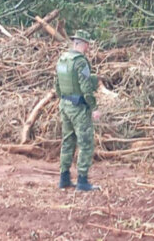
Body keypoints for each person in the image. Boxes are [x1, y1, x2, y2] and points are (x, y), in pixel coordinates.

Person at [54, 30, 102, 191]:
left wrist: (63, 99)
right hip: (78, 107)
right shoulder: (80, 62)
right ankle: (82, 181)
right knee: (86, 143)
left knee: (67, 141)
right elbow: (86, 87)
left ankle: (64, 178)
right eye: (88, 44)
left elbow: (57, 85)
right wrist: (93, 107)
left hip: (65, 105)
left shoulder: (62, 59)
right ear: (84, 44)